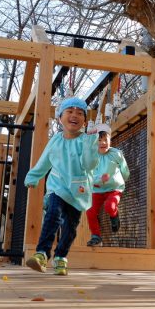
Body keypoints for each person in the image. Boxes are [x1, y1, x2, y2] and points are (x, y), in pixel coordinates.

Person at [24, 96, 100, 276]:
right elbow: (45, 160)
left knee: (70, 228)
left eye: (80, 113)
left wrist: (90, 142)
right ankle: (42, 254)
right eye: (70, 111)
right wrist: (33, 176)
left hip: (78, 190)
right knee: (53, 214)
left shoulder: (86, 139)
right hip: (57, 186)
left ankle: (60, 257)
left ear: (84, 121)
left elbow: (89, 164)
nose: (75, 115)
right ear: (60, 118)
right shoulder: (56, 140)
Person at [85, 123, 130, 246]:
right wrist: (100, 179)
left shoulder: (116, 153)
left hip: (114, 188)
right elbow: (89, 176)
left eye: (106, 139)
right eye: (99, 140)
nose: (103, 143)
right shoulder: (92, 157)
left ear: (110, 140)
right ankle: (96, 236)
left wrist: (124, 179)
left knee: (110, 206)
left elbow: (124, 169)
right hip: (97, 189)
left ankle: (114, 215)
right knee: (90, 210)